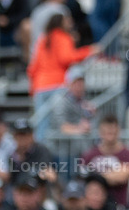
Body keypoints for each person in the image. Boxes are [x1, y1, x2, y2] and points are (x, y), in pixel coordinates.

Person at [26, 12, 98, 142]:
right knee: (58, 124)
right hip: (57, 84)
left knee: (41, 126)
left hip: (40, 86)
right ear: (61, 23)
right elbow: (67, 58)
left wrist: (32, 87)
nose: (70, 23)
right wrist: (89, 51)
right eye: (68, 20)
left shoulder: (43, 39)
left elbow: (33, 67)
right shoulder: (63, 37)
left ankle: (40, 156)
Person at [80, 115, 129, 208]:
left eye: (112, 132)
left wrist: (95, 176)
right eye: (106, 132)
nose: (109, 136)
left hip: (118, 204)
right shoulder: (89, 154)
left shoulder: (128, 154)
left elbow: (122, 176)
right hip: (93, 206)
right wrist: (111, 176)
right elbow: (82, 177)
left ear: (118, 131)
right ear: (100, 132)